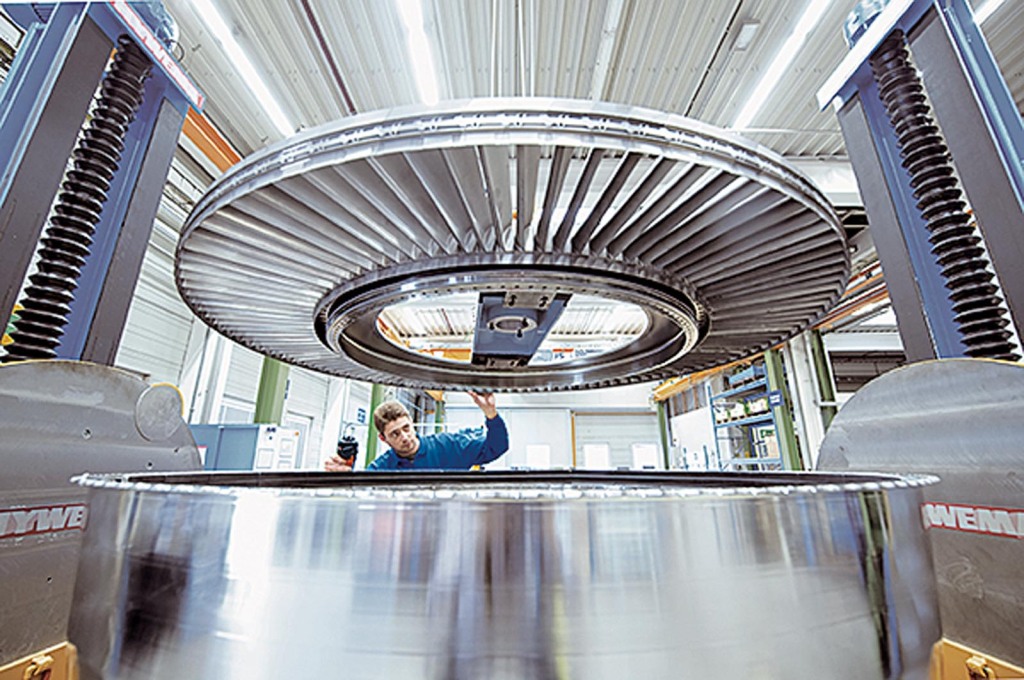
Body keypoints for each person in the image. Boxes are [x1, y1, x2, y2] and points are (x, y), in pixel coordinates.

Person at [324, 391, 508, 471]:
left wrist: (490, 414)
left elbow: (497, 447)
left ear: (411, 423)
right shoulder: (381, 469)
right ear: (383, 438)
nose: (404, 437)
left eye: (406, 428)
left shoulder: (450, 447)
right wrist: (343, 478)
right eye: (395, 434)